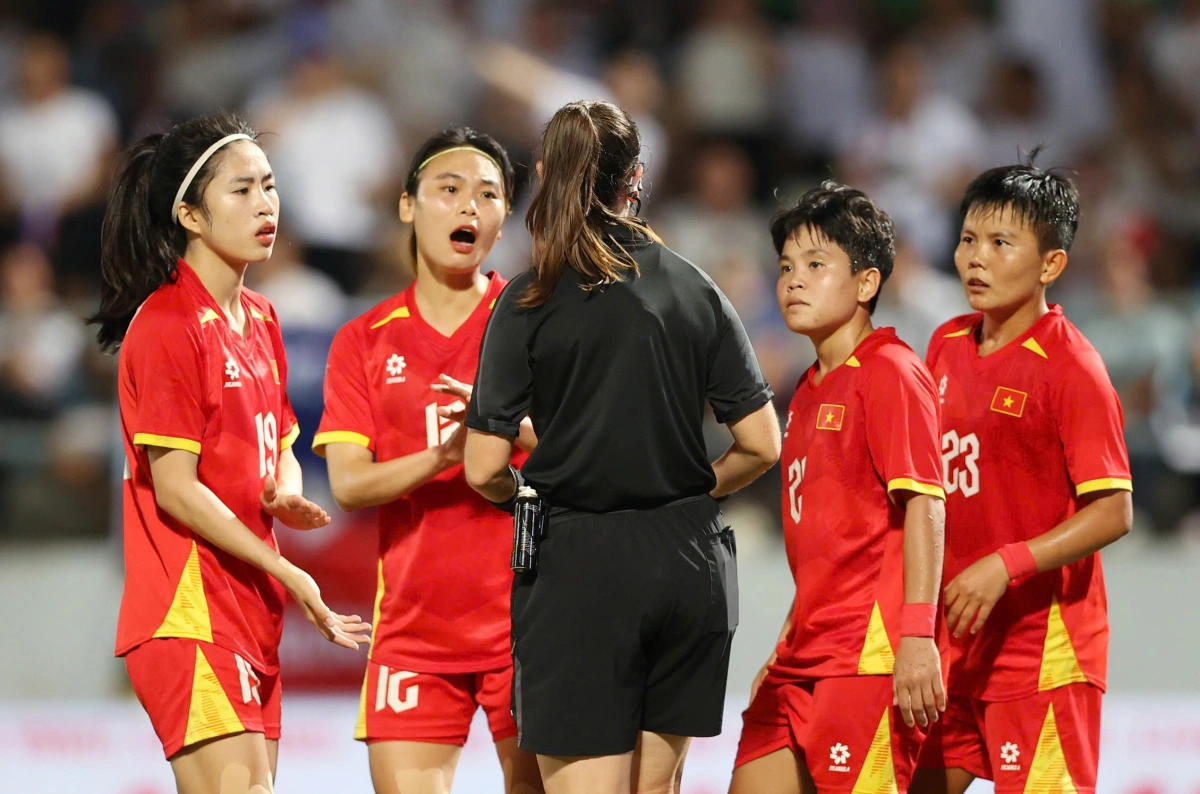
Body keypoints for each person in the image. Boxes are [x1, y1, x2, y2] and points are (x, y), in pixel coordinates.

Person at [462, 100, 781, 794]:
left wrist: (526, 494)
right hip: (689, 562)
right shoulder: (695, 287)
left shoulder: (529, 299)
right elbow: (761, 444)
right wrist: (686, 487)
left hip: (580, 564)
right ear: (635, 177)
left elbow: (483, 467)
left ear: (546, 173)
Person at [89, 112, 371, 794]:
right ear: (189, 214)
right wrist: (290, 570)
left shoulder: (264, 319)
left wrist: (284, 487)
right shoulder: (168, 324)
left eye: (269, 186)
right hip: (188, 611)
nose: (265, 204)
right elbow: (176, 489)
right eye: (241, 190)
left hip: (249, 609)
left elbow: (281, 443)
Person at [313, 128, 543, 794]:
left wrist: (508, 429)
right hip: (413, 633)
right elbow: (349, 485)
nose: (469, 205)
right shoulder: (363, 339)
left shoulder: (536, 321)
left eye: (488, 194)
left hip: (529, 623)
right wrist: (445, 453)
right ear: (407, 205)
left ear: (504, 217)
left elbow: (590, 457)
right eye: (449, 189)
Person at [912, 159, 1133, 794]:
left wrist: (1005, 564)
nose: (976, 259)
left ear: (1050, 265)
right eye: (968, 239)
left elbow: (1114, 509)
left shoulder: (1072, 366)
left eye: (1001, 243)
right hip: (952, 645)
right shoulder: (945, 343)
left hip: (1042, 651)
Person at [730, 183, 948, 794]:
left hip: (868, 658)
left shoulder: (891, 372)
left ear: (867, 282)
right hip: (803, 655)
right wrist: (784, 643)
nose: (794, 281)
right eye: (786, 268)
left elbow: (926, 505)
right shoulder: (806, 390)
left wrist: (917, 636)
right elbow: (823, 548)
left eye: (816, 264)